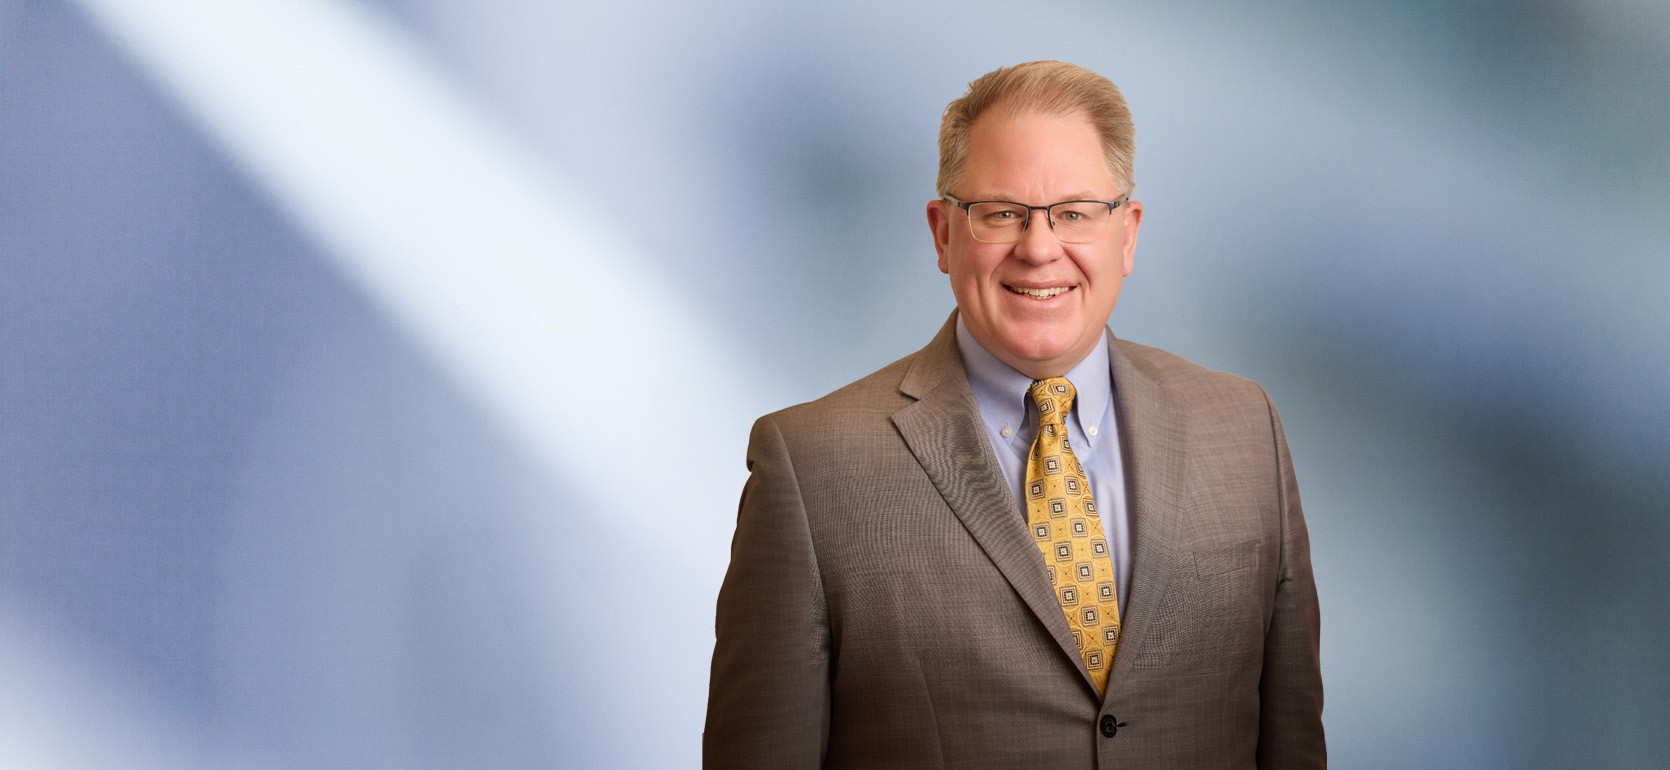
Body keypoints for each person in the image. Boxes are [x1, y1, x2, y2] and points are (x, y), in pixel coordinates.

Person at [704, 60, 1324, 768]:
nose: (1039, 248)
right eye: (1002, 213)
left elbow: (1292, 742)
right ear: (943, 234)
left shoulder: (1244, 429)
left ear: (1127, 234)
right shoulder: (811, 469)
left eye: (1075, 213)